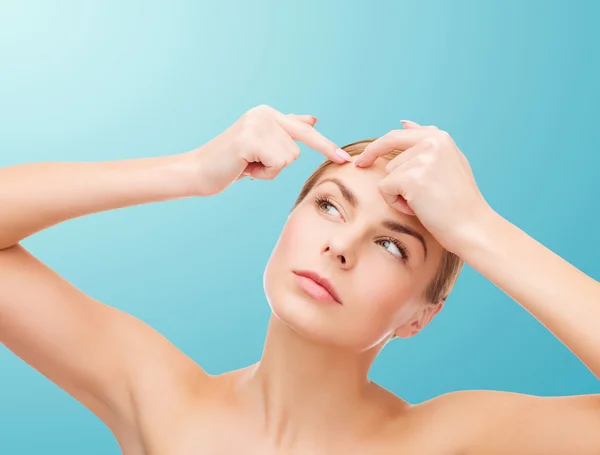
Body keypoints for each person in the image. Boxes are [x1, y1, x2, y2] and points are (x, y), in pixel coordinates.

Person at [0, 104, 598, 454]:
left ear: (421, 315)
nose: (342, 246)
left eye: (392, 244)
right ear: (287, 222)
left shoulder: (446, 442)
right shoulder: (163, 403)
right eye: (330, 206)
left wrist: (478, 228)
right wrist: (189, 171)